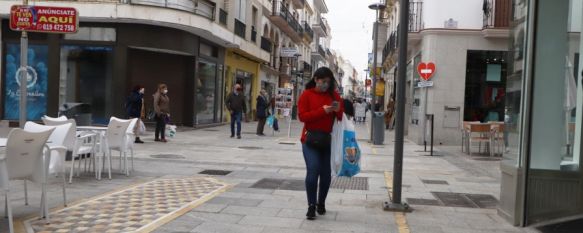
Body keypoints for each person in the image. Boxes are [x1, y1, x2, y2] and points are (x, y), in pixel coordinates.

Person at [298, 67, 343, 220]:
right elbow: (302, 117)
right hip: (309, 139)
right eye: (323, 81)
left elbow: (340, 117)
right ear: (316, 79)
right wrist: (322, 111)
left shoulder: (333, 95)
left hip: (326, 140)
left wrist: (337, 109)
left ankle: (321, 203)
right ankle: (311, 205)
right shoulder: (306, 95)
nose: (325, 84)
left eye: (328, 82)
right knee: (313, 170)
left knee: (325, 175)